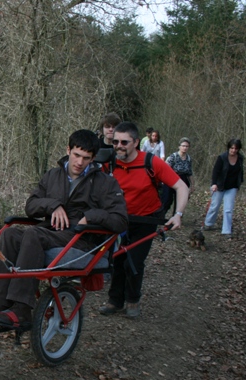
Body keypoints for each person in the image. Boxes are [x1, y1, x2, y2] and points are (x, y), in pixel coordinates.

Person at [0, 129, 128, 330]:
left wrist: (90, 216)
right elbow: (31, 206)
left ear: (93, 159)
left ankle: (22, 310)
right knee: (10, 234)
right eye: (76, 155)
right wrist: (53, 205)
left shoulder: (105, 183)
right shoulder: (53, 175)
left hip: (81, 238)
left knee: (33, 234)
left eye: (86, 158)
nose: (79, 162)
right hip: (51, 232)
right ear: (68, 150)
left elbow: (120, 220)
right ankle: (0, 302)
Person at [100, 122, 189, 318]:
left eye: (124, 142)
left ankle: (132, 300)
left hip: (146, 220)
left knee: (134, 260)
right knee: (117, 259)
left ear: (136, 142)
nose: (119, 146)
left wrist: (178, 214)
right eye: (115, 142)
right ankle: (115, 301)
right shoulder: (109, 163)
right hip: (119, 220)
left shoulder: (151, 162)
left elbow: (181, 187)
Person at [203, 139, 244, 239]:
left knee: (228, 209)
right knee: (215, 206)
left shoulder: (241, 158)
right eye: (232, 148)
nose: (234, 150)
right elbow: (215, 171)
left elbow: (240, 171)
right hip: (219, 186)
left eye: (236, 148)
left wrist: (240, 182)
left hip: (232, 187)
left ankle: (226, 230)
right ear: (229, 148)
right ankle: (208, 224)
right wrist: (214, 184)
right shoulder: (222, 157)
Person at [162, 137, 195, 216]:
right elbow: (165, 169)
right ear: (179, 146)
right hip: (171, 179)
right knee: (167, 200)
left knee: (180, 201)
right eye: (183, 146)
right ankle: (161, 216)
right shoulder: (173, 157)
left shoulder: (188, 159)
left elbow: (189, 172)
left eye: (187, 146)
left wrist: (193, 185)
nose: (185, 148)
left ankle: (176, 218)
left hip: (183, 180)